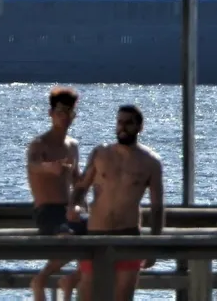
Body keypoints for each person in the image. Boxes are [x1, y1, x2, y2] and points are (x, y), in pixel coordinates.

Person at [69, 104, 165, 301]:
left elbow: (157, 208)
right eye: (119, 122)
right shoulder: (100, 154)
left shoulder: (151, 162)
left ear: (140, 127)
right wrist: (75, 206)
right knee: (87, 295)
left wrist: (154, 245)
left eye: (128, 123)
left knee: (122, 297)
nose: (122, 127)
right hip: (96, 234)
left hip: (128, 236)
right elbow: (80, 188)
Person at [25, 86, 88, 301]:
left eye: (69, 112)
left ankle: (71, 280)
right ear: (51, 114)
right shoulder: (39, 144)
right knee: (68, 239)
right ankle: (41, 279)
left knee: (105, 231)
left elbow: (78, 184)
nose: (65, 117)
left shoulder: (73, 146)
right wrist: (48, 167)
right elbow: (33, 164)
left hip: (69, 211)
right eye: (60, 112)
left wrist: (79, 205)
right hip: (48, 212)